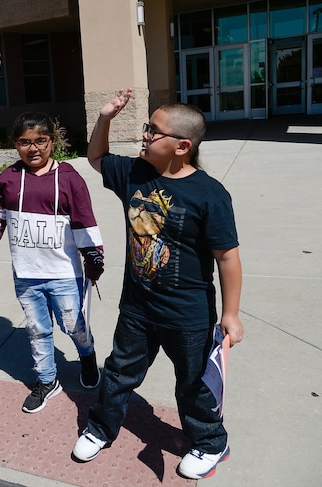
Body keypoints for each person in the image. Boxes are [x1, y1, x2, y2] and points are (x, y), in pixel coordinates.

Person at [71, 89, 243, 480]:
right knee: (118, 373)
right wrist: (105, 118)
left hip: (188, 315)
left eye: (154, 131)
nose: (146, 136)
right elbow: (96, 158)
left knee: (194, 384)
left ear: (183, 146)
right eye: (147, 128)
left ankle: (210, 443)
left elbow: (227, 257)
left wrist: (231, 314)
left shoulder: (210, 195)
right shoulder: (135, 173)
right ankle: (100, 428)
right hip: (137, 308)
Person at [0, 112, 105, 414]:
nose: (33, 148)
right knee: (37, 329)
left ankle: (87, 356)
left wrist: (94, 260)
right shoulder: (7, 179)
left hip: (64, 273)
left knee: (74, 325)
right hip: (26, 274)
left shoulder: (70, 178)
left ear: (53, 142)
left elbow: (84, 222)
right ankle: (47, 380)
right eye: (25, 142)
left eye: (40, 141)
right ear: (15, 144)